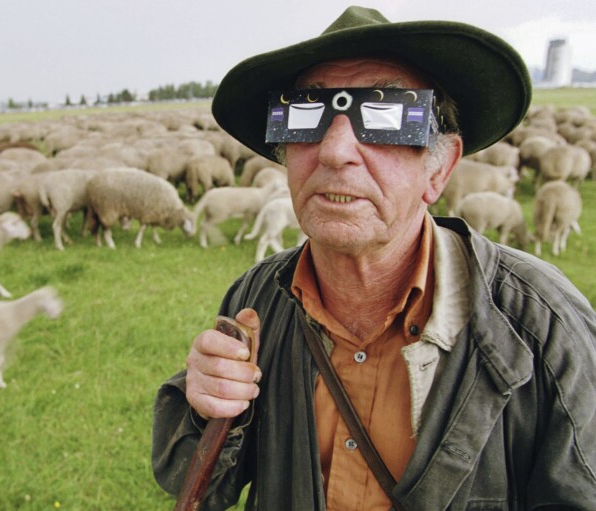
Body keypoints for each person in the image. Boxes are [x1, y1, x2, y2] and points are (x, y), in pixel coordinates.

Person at [152, 6, 596, 511]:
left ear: (440, 168)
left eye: (385, 118)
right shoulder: (257, 301)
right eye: (305, 115)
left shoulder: (540, 329)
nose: (335, 150)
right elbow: (200, 485)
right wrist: (205, 409)